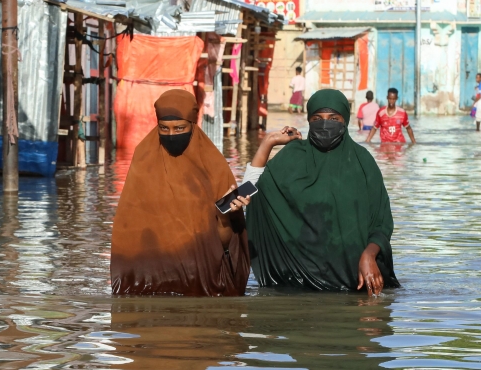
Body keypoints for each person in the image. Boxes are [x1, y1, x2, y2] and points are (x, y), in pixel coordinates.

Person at [239, 89, 400, 295]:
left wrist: (369, 255)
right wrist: (268, 143)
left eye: (333, 118)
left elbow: (382, 222)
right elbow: (245, 194)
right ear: (308, 121)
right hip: (295, 284)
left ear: (345, 120)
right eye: (317, 118)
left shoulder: (362, 162)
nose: (325, 124)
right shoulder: (293, 157)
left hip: (355, 284)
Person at [110, 89, 251, 296]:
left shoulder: (214, 165)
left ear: (193, 125)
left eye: (179, 128)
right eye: (164, 128)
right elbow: (129, 229)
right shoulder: (144, 159)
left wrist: (225, 216)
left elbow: (226, 242)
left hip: (203, 283)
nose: (171, 135)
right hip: (149, 283)